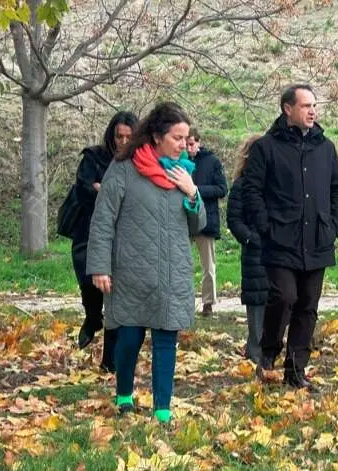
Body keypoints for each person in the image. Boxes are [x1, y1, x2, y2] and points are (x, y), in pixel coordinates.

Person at [86, 102, 206, 424]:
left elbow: (198, 225)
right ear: (156, 137)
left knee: (167, 338)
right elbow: (102, 220)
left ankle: (162, 411)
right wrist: (100, 266)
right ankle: (124, 392)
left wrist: (192, 194)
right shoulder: (124, 168)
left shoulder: (183, 173)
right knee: (129, 339)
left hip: (172, 272)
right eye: (177, 138)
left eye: (186, 138)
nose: (184, 145)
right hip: (131, 272)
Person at [242, 84, 338, 391]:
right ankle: (268, 351)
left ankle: (296, 370)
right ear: (288, 109)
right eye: (306, 105)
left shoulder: (324, 147)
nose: (312, 111)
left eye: (314, 105)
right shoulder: (266, 147)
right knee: (284, 297)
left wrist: (333, 224)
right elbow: (251, 190)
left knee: (308, 306)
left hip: (317, 239)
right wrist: (265, 225)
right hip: (280, 239)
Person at [73, 110, 138, 373]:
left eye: (128, 137)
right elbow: (84, 187)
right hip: (88, 231)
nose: (122, 142)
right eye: (118, 136)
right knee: (89, 283)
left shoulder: (137, 162)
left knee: (114, 296)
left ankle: (109, 361)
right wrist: (100, 189)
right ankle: (91, 318)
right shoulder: (94, 157)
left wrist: (106, 188)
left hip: (121, 235)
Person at [226, 135, 268, 363]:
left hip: (276, 252)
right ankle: (255, 354)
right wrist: (251, 240)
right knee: (256, 307)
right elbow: (234, 219)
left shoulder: (275, 182)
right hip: (254, 254)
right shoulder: (241, 185)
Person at [187, 128, 228, 317]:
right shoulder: (178, 162)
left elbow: (222, 189)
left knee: (208, 266)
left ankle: (208, 303)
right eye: (186, 144)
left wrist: (197, 190)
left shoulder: (212, 162)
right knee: (182, 264)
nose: (188, 148)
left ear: (199, 142)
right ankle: (184, 300)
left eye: (191, 144)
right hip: (184, 219)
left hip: (206, 220)